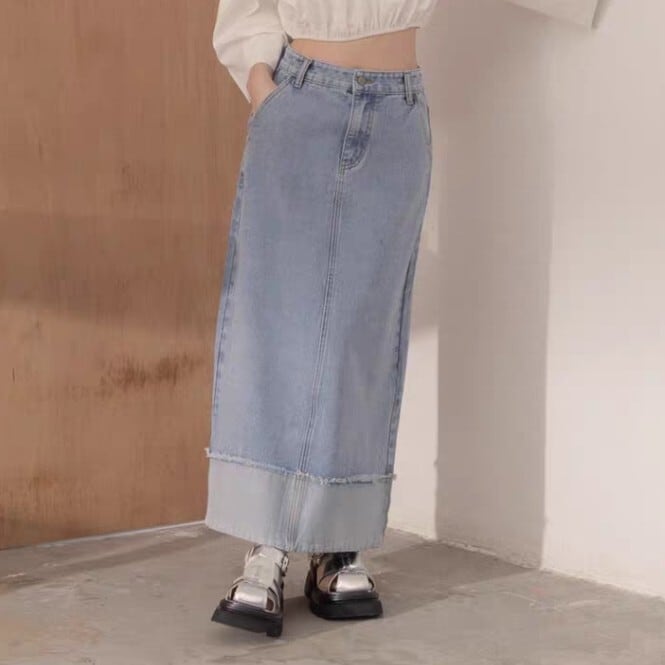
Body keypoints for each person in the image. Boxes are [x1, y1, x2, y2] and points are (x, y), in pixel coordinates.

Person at [206, 0, 437, 637]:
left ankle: (340, 541)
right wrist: (265, 90)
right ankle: (266, 542)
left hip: (399, 110)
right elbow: (246, 11)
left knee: (364, 336)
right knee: (275, 322)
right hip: (301, 98)